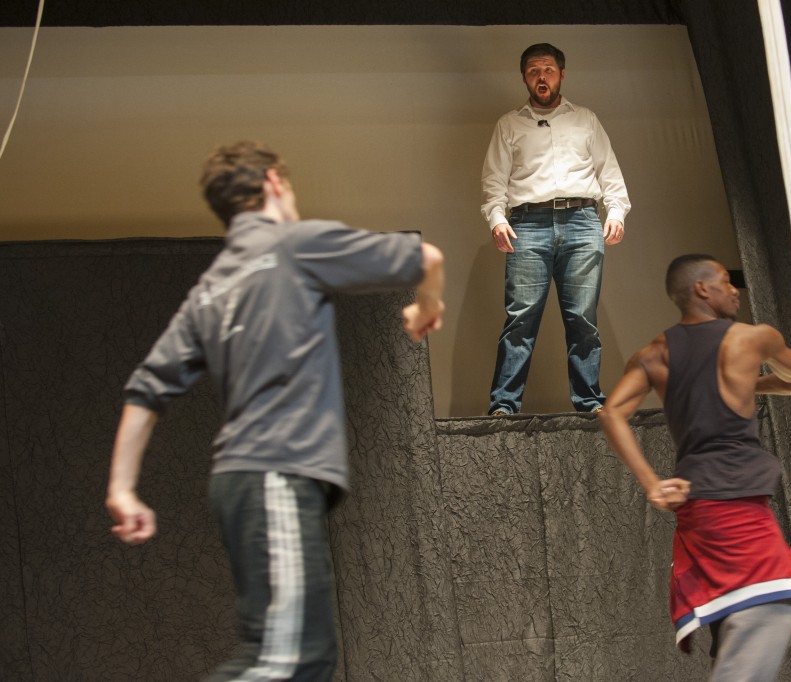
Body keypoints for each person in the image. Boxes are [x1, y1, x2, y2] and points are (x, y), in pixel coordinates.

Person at [104, 141, 445, 681]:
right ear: (273, 184)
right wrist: (427, 307)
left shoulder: (210, 289)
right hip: (276, 475)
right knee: (290, 661)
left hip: (243, 481)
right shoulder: (293, 245)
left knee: (300, 658)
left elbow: (146, 390)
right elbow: (427, 259)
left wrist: (122, 489)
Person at [599, 254, 791, 681]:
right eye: (724, 281)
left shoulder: (653, 354)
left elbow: (611, 413)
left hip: (700, 510)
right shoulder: (754, 339)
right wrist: (754, 381)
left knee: (736, 622)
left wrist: (652, 485)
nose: (735, 289)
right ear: (701, 289)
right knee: (766, 609)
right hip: (734, 508)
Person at [481, 42, 630, 416]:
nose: (541, 76)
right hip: (527, 224)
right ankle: (504, 405)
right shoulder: (509, 124)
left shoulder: (585, 119)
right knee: (520, 319)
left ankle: (590, 402)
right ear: (525, 78)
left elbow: (608, 172)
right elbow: (493, 180)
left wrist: (616, 212)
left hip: (582, 222)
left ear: (562, 74)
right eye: (533, 71)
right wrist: (497, 219)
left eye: (547, 69)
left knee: (583, 319)